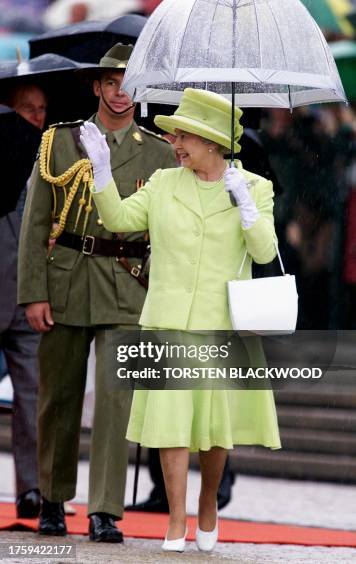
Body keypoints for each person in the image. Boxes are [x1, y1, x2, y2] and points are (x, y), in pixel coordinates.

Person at [80, 87, 281, 553]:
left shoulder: (254, 187)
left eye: (184, 136)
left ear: (212, 141)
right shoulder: (165, 182)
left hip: (221, 324)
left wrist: (246, 208)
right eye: (174, 136)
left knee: (214, 430)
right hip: (168, 320)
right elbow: (117, 219)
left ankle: (208, 501)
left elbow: (265, 251)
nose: (175, 143)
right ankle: (175, 519)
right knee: (169, 426)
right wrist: (102, 173)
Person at [17, 44, 176, 541]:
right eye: (111, 82)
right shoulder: (61, 141)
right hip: (65, 276)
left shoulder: (159, 150)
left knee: (117, 399)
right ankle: (52, 499)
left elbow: (165, 228)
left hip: (127, 280)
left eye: (129, 83)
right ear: (97, 87)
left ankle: (105, 510)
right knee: (57, 397)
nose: (120, 92)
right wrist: (33, 293)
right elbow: (35, 221)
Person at [0, 83, 47, 518]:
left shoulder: (54, 165)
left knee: (33, 397)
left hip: (30, 298)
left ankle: (32, 489)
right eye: (26, 109)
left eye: (41, 109)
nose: (36, 116)